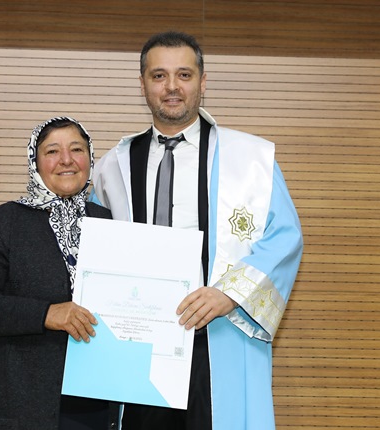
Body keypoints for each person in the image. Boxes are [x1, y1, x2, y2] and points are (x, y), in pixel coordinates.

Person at [91, 31, 304, 430]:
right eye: (159, 76)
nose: (172, 86)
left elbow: (285, 238)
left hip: (216, 336)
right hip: (139, 345)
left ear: (203, 82)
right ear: (142, 85)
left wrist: (229, 293)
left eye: (184, 75)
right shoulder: (112, 167)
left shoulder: (251, 159)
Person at [0, 117, 118, 430]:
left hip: (91, 407)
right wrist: (46, 314)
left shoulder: (112, 225)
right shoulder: (4, 223)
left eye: (77, 149)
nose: (66, 160)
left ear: (90, 158)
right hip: (13, 405)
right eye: (52, 151)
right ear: (35, 163)